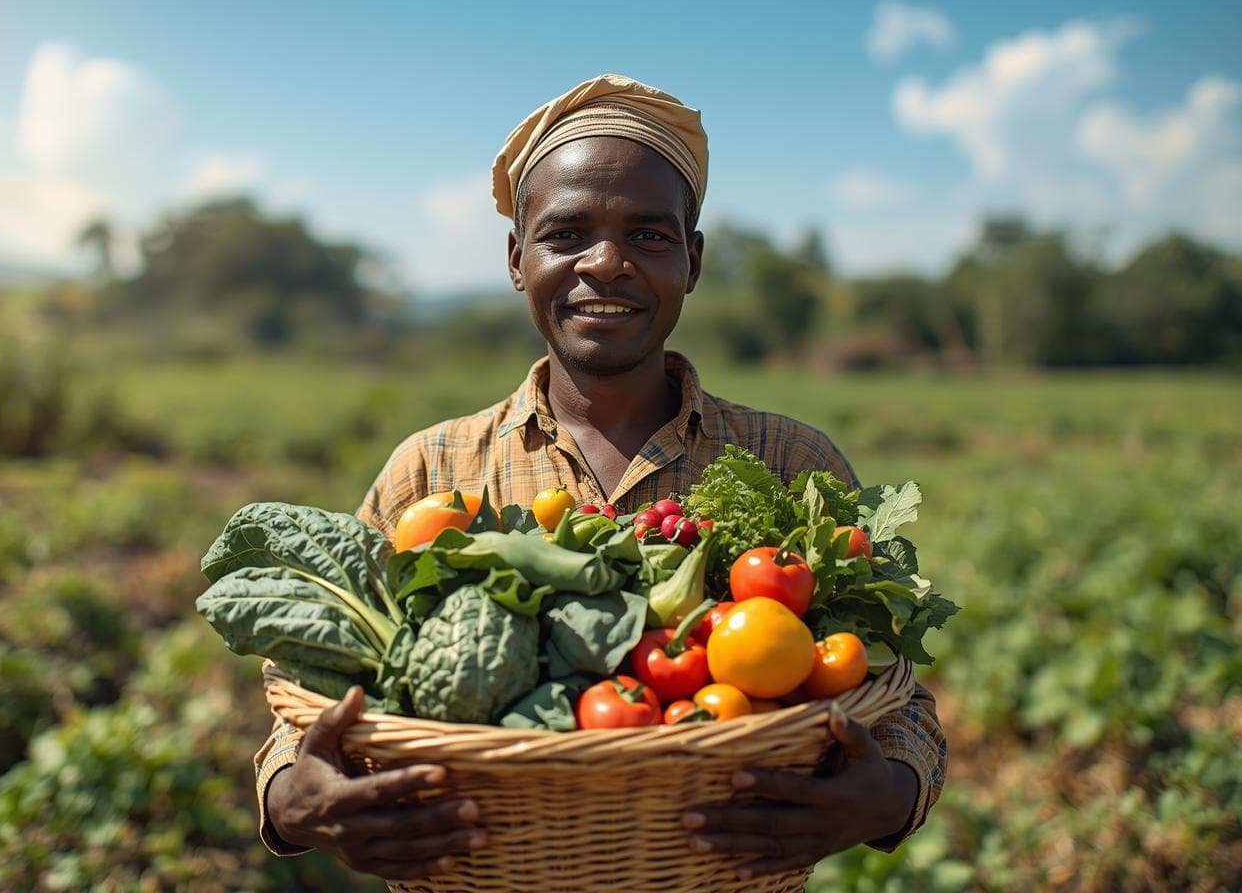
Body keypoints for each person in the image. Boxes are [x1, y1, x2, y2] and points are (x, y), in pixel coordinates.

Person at [251, 73, 947, 882]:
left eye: (650, 236)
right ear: (518, 260)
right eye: (567, 233)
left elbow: (899, 700)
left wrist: (891, 795)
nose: (607, 262)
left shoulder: (793, 465)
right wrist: (288, 797)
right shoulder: (432, 469)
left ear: (693, 260)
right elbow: (309, 689)